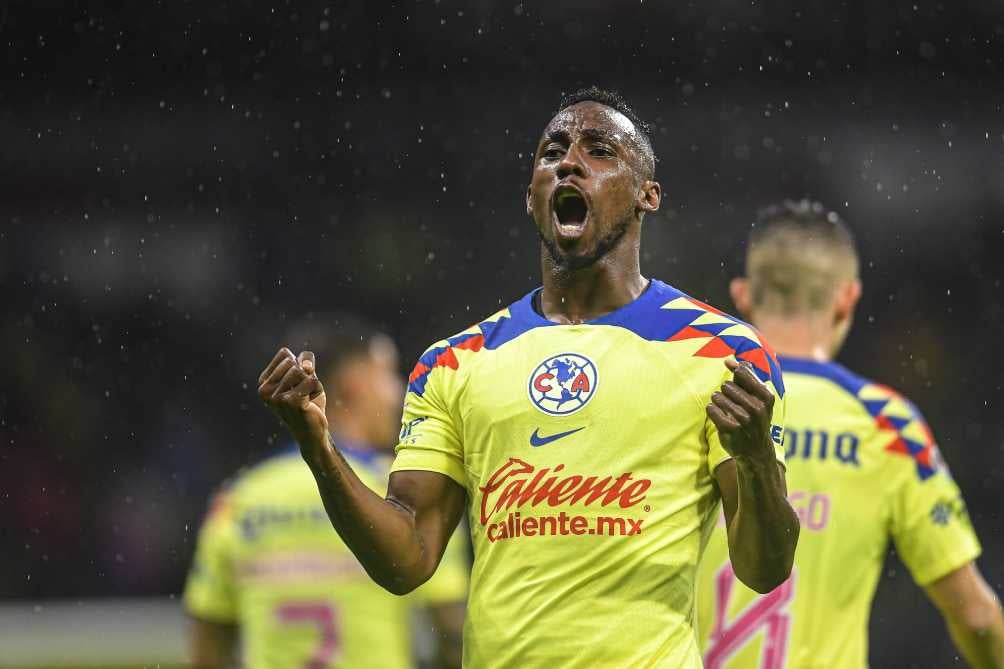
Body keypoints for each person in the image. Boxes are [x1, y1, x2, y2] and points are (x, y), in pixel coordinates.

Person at [257, 87, 799, 667]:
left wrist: (757, 461)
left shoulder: (722, 352)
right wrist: (320, 449)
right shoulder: (454, 361)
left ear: (648, 195)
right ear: (532, 197)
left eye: (600, 151)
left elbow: (764, 570)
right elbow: (406, 560)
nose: (569, 161)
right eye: (553, 152)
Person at [696, 200, 1004, 668]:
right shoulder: (886, 425)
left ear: (741, 296)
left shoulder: (699, 400)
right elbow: (977, 616)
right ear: (847, 299)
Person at [185, 315, 468, 669]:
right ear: (354, 385)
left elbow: (207, 652)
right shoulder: (404, 496)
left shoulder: (239, 500)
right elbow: (452, 636)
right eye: (388, 374)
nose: (399, 392)